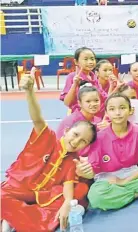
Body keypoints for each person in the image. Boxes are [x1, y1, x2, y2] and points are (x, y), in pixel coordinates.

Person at [1, 73, 97, 232]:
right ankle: (10, 221)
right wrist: (30, 92)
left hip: (41, 195)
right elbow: (37, 119)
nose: (76, 142)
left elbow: (68, 184)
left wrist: (67, 202)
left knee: (77, 191)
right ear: (66, 131)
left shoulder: (73, 160)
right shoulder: (48, 138)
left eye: (83, 141)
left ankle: (9, 220)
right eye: (75, 135)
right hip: (19, 185)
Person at [86, 93, 138, 210]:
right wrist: (85, 171)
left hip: (133, 174)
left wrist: (124, 181)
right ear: (106, 113)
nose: (117, 113)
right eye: (112, 109)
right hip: (109, 178)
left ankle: (124, 195)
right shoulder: (99, 137)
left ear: (130, 110)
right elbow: (94, 169)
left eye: (122, 108)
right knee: (95, 197)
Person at [60, 47, 106, 116]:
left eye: (92, 59)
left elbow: (104, 97)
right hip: (80, 117)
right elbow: (67, 102)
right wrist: (75, 84)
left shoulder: (94, 77)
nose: (90, 62)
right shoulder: (72, 77)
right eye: (86, 59)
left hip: (96, 117)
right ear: (76, 62)